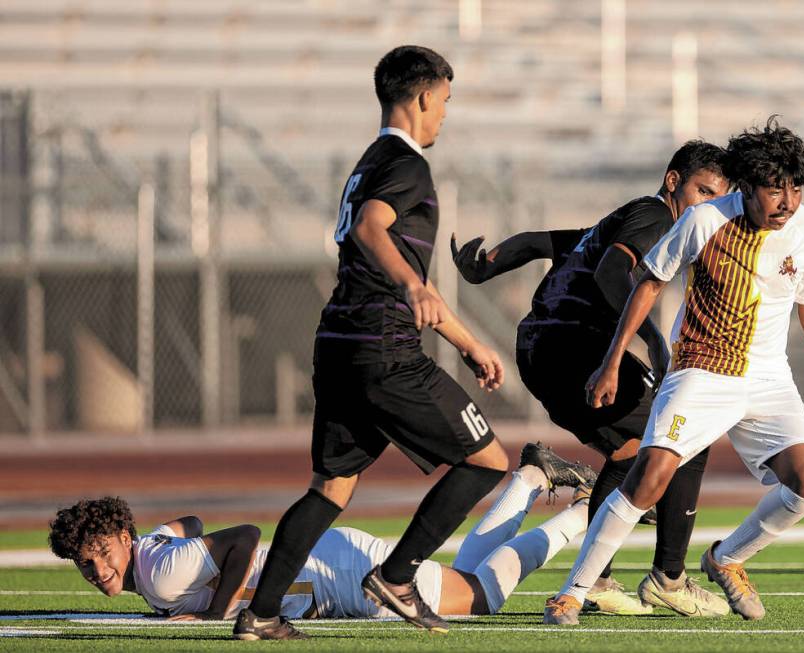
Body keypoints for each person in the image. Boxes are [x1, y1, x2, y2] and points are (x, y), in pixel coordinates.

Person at [233, 46, 511, 639]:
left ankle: (260, 614)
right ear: (423, 97)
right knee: (487, 460)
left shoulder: (371, 160)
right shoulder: (408, 165)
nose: (444, 115)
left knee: (330, 487)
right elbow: (370, 230)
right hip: (383, 347)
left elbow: (389, 252)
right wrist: (412, 284)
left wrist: (466, 341)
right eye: (445, 102)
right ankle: (398, 576)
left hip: (339, 342)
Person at [543, 117, 804, 625]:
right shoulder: (705, 220)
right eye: (774, 189)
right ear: (748, 186)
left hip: (768, 376)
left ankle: (726, 559)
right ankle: (572, 592)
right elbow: (648, 282)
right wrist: (611, 362)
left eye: (796, 189)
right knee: (649, 478)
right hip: (702, 368)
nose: (787, 202)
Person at [452, 141, 731, 618]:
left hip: (541, 347)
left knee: (631, 451)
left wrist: (488, 266)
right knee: (686, 438)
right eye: (702, 192)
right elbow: (610, 273)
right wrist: (651, 340)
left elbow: (540, 242)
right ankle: (669, 578)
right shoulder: (656, 217)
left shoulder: (622, 219)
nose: (707, 207)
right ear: (672, 182)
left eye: (717, 199)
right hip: (575, 348)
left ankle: (599, 577)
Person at [47, 447, 594, 625]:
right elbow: (190, 526)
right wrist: (178, 542)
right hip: (331, 566)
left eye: (101, 551)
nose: (97, 570)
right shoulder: (152, 553)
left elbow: (243, 536)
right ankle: (530, 479)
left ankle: (579, 511)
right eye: (84, 562)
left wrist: (215, 614)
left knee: (484, 597)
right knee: (472, 587)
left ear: (123, 534)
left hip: (337, 578)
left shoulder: (158, 574)